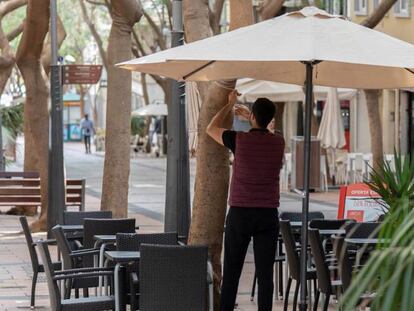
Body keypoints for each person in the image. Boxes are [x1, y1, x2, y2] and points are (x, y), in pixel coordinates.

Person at [206, 90, 285, 311]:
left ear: (252, 117)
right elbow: (268, 129)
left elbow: (210, 128)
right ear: (270, 119)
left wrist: (229, 105)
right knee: (265, 275)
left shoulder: (238, 140)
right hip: (267, 215)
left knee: (232, 273)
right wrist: (252, 115)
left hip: (240, 213)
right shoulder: (279, 142)